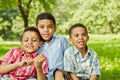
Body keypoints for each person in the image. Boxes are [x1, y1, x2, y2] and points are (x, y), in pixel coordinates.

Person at [36, 12, 69, 80]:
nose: (46, 30)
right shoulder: (35, 45)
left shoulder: (61, 40)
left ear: (55, 28)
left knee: (58, 73)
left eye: (50, 27)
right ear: (37, 28)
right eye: (42, 27)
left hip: (61, 74)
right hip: (43, 75)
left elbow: (69, 59)